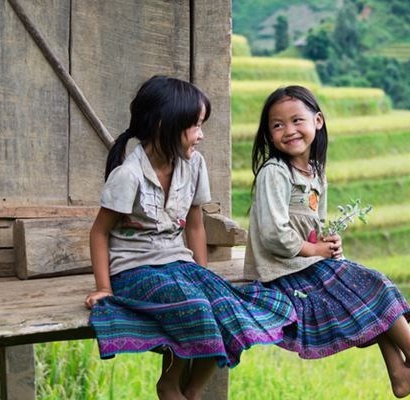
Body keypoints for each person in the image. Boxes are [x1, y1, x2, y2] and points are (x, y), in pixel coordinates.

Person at [84, 76, 296, 400]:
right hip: (135, 269)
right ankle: (169, 384)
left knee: (226, 308)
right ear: (162, 125)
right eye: (195, 125)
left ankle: (192, 392)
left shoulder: (194, 164)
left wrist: (202, 273)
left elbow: (195, 225)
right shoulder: (128, 175)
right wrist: (103, 288)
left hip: (178, 263)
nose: (201, 134)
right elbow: (99, 232)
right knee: (195, 307)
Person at [245, 85, 410, 398]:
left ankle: (400, 374)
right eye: (277, 125)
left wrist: (328, 245)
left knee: (368, 292)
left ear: (317, 121)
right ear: (268, 133)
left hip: (306, 264)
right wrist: (315, 250)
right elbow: (273, 233)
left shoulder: (315, 172)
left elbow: (315, 225)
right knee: (371, 284)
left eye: (296, 121)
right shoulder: (275, 173)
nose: (288, 130)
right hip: (280, 274)